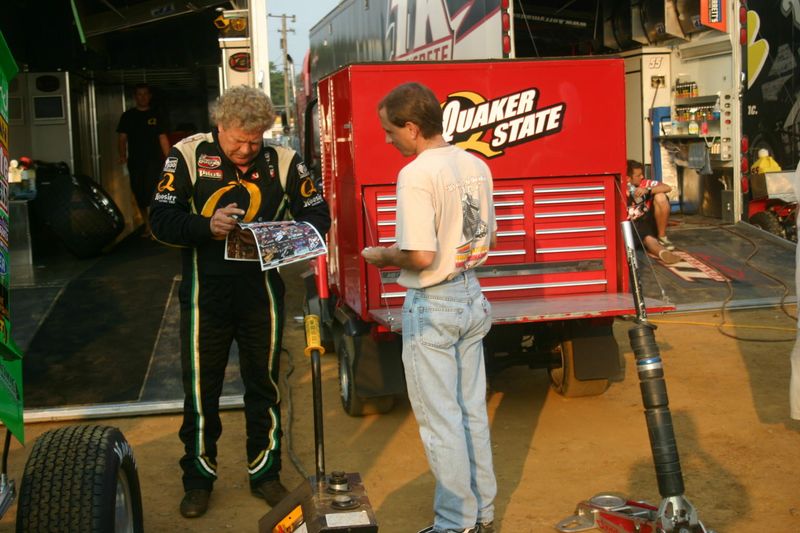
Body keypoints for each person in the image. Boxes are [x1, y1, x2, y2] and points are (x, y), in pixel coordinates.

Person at [149, 85, 330, 518]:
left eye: (256, 139)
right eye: (238, 141)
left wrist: (275, 236)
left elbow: (318, 216)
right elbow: (160, 219)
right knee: (200, 389)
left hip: (262, 293)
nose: (247, 149)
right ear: (220, 126)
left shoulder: (284, 159)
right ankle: (198, 479)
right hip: (203, 293)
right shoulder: (188, 154)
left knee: (264, 385)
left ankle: (265, 473)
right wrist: (204, 226)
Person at [361, 82, 497, 533]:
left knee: (441, 423)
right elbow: (486, 239)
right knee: (471, 412)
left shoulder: (416, 173)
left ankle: (453, 523)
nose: (387, 139)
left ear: (412, 128)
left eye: (389, 130)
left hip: (435, 304)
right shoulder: (475, 164)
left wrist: (383, 255)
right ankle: (481, 515)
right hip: (472, 295)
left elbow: (419, 256)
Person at [117, 83, 171, 235]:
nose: (142, 97)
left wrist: (170, 158)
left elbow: (162, 138)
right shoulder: (127, 116)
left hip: (154, 161)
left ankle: (154, 225)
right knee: (139, 192)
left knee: (153, 192)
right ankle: (147, 224)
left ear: (150, 96)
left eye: (145, 94)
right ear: (135, 97)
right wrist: (122, 155)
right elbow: (122, 138)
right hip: (135, 161)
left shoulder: (156, 115)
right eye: (139, 94)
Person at [626, 159, 680, 264]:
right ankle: (662, 252)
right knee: (647, 238)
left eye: (642, 174)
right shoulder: (620, 187)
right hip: (629, 226)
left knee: (661, 196)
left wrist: (648, 190)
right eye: (638, 175)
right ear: (628, 178)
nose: (642, 177)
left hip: (646, 222)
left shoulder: (645, 183)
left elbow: (667, 187)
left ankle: (662, 239)